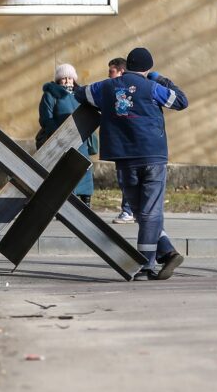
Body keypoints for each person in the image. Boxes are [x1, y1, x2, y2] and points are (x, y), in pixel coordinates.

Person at [74, 47, 188, 280]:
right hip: (152, 155)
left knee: (137, 209)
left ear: (126, 66)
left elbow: (81, 94)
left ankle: (166, 252)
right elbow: (180, 101)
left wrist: (106, 105)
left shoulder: (106, 87)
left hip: (124, 156)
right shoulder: (152, 87)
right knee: (150, 210)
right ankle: (146, 264)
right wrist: (161, 79)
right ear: (147, 68)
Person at [38, 63, 98, 207]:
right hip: (61, 140)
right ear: (58, 80)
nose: (67, 81)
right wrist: (58, 135)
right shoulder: (51, 95)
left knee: (84, 170)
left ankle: (86, 202)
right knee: (64, 172)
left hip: (81, 138)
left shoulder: (80, 94)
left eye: (70, 78)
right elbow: (46, 118)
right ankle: (65, 204)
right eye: (63, 78)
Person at [106, 57, 135, 224]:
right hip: (128, 141)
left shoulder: (119, 90)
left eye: (111, 71)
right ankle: (134, 210)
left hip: (126, 142)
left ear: (121, 71)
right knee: (130, 177)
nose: (108, 75)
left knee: (127, 177)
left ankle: (128, 210)